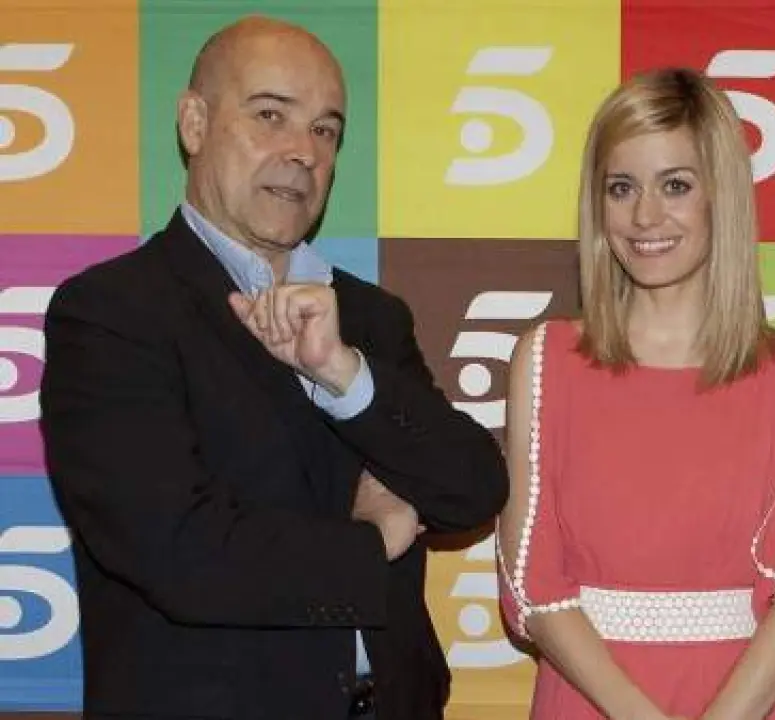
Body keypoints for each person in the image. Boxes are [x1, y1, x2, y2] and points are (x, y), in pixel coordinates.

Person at [38, 15, 507, 720]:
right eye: (269, 115)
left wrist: (348, 379)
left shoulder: (370, 317)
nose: (303, 152)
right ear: (194, 123)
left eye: (325, 130)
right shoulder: (111, 312)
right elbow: (178, 551)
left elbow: (472, 488)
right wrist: (372, 540)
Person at [493, 67, 775, 719]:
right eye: (621, 188)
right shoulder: (545, 361)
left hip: (741, 702)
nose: (645, 216)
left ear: (722, 197)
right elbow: (531, 582)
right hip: (587, 701)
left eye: (675, 185)